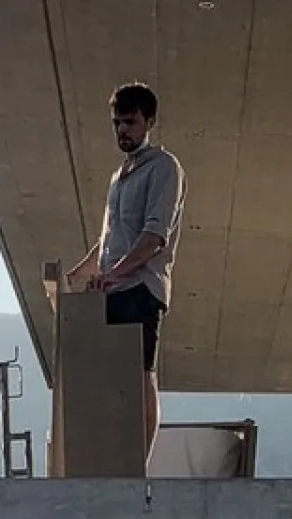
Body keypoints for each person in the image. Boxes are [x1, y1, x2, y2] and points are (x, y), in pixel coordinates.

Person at [65, 81, 187, 462]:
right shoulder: (119, 177)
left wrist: (114, 273)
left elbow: (154, 235)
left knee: (139, 375)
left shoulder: (164, 167)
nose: (123, 131)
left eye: (130, 122)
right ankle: (110, 454)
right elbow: (111, 235)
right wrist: (83, 271)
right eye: (117, 123)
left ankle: (139, 463)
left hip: (140, 289)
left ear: (148, 121)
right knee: (108, 380)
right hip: (112, 290)